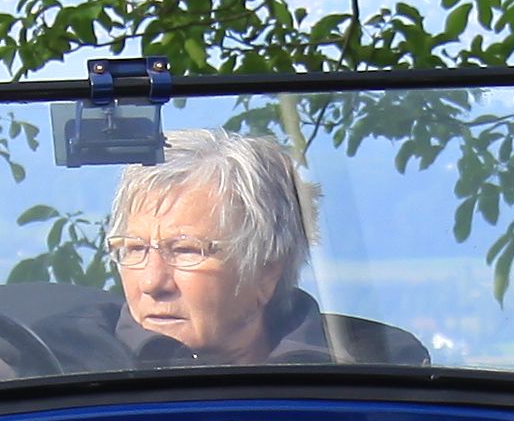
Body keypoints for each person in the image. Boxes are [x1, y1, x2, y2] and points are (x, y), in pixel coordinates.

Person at [106, 131, 428, 368]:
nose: (151, 283)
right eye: (134, 249)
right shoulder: (73, 369)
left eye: (186, 251)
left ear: (266, 272)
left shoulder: (377, 371)